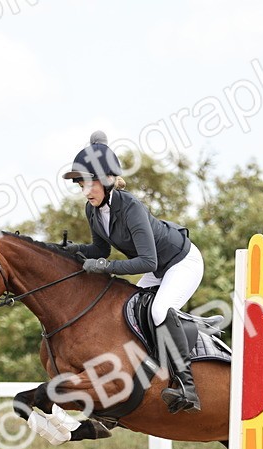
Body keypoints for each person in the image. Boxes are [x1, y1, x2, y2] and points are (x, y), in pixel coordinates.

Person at [61, 131, 204, 413]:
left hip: (181, 262)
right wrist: (66, 250)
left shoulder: (131, 208)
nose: (86, 191)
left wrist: (105, 268)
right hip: (157, 266)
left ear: (107, 181)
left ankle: (188, 388)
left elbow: (147, 262)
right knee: (128, 312)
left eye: (90, 184)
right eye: (81, 185)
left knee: (159, 310)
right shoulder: (92, 210)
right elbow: (99, 251)